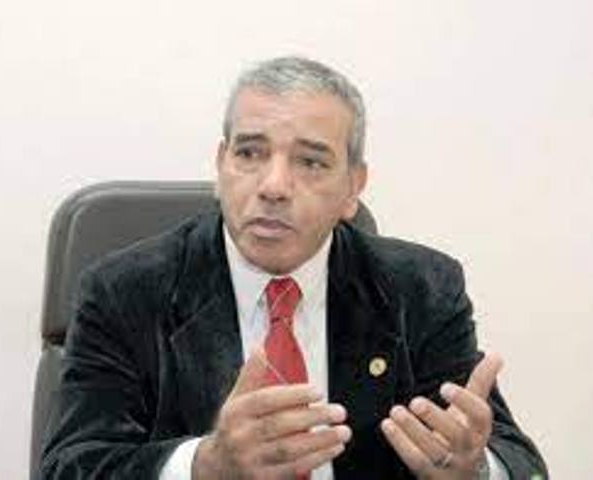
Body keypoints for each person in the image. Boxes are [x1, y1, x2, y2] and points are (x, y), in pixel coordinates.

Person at [40, 56, 547, 479]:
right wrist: (204, 465)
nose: (274, 186)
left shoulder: (419, 289)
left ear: (353, 187)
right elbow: (70, 466)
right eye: (250, 153)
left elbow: (521, 464)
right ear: (221, 164)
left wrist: (476, 468)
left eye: (310, 162)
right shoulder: (124, 291)